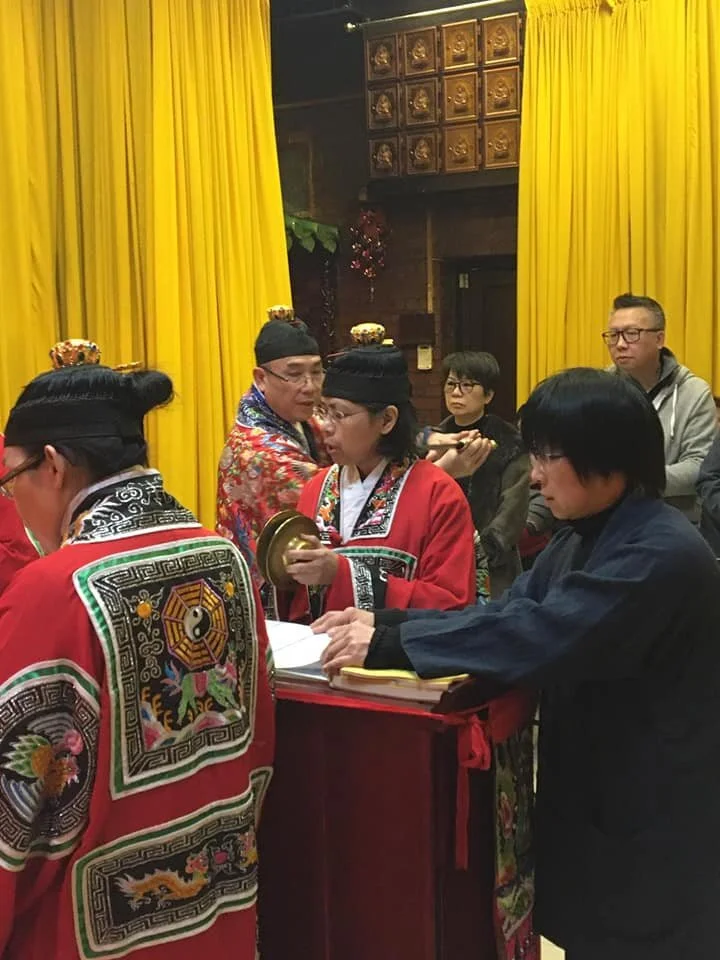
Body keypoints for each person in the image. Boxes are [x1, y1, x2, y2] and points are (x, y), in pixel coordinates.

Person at [315, 368, 720, 960]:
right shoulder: (583, 535)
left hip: (658, 812)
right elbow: (508, 611)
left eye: (549, 457)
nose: (534, 476)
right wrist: (385, 623)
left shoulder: (660, 553)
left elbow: (538, 634)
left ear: (608, 458)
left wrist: (385, 645)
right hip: (603, 798)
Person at [0, 363, 273, 959]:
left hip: (90, 924)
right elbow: (258, 739)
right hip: (219, 895)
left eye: (11, 478)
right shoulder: (222, 556)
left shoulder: (57, 588)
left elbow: (14, 797)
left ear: (52, 465)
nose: (12, 499)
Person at [284, 337, 481, 617]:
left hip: (392, 646)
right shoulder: (316, 489)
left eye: (339, 414)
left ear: (387, 420)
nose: (325, 426)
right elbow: (294, 602)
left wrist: (342, 574)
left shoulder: (439, 495)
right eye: (323, 411)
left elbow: (451, 606)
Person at [216, 306, 328, 571]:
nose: (310, 386)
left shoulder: (297, 416)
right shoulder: (261, 453)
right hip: (265, 584)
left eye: (316, 372)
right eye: (295, 374)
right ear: (261, 378)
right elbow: (332, 506)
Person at [605, 292, 716, 519]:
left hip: (673, 518)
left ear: (659, 339)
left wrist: (635, 483)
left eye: (632, 334)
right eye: (614, 335)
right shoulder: (600, 388)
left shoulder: (693, 392)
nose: (620, 344)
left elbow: (700, 466)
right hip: (608, 515)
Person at [436, 351, 529, 597]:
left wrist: (485, 549)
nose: (456, 393)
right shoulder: (434, 439)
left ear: (488, 395)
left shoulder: (509, 442)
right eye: (451, 384)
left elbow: (514, 506)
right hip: (440, 555)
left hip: (493, 562)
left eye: (467, 385)